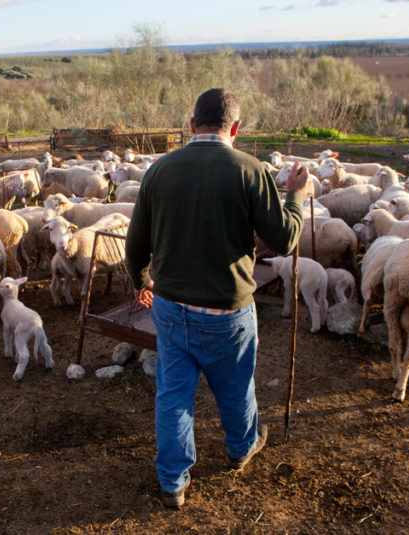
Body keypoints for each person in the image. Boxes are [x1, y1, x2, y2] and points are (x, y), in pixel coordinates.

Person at [125, 88, 308, 509]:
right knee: (236, 384)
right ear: (236, 128)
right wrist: (296, 194)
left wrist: (141, 281)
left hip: (170, 308)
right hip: (227, 310)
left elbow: (136, 243)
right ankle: (241, 447)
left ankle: (172, 481)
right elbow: (284, 241)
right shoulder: (250, 169)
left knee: (172, 394)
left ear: (191, 125)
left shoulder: (159, 170)